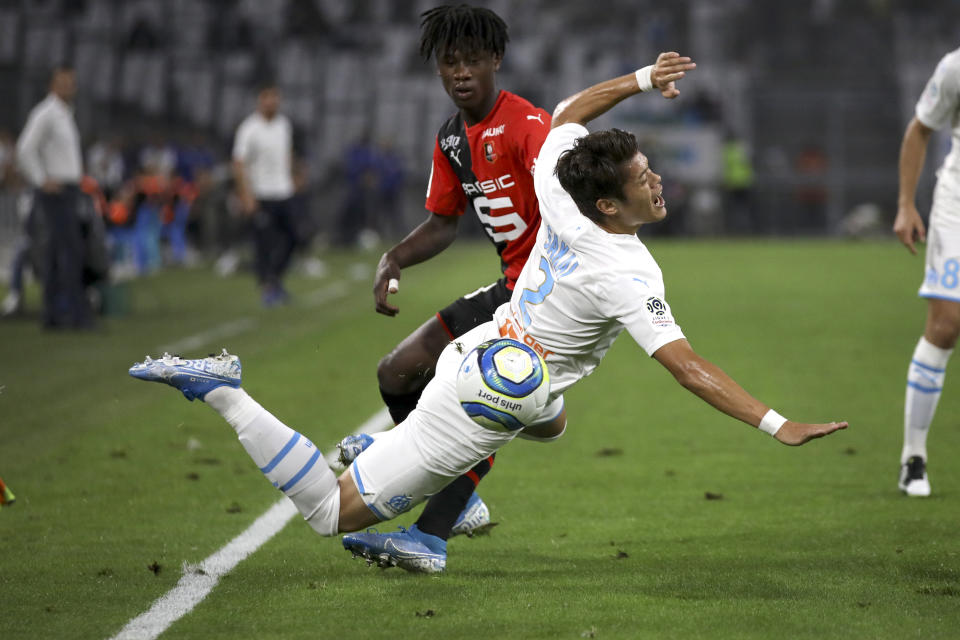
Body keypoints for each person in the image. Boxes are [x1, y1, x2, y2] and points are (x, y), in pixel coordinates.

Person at [129, 50, 847, 576]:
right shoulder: (627, 271)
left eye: (651, 171)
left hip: (508, 357)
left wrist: (637, 82)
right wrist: (778, 425)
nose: (657, 183)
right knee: (329, 513)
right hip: (483, 390)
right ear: (608, 205)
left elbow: (567, 114)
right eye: (642, 180)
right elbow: (687, 368)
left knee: (553, 419)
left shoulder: (562, 186)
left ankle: (401, 467)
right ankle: (224, 387)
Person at [349, 3, 554, 552]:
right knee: (396, 373)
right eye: (449, 62)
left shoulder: (527, 124)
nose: (460, 72)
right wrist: (393, 258)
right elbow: (444, 223)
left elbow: (564, 183)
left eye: (472, 61)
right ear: (438, 69)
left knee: (481, 405)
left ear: (496, 60)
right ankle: (456, 493)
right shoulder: (453, 140)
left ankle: (433, 529)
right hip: (509, 289)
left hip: (546, 296)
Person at [892, 46, 960, 497]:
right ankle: (913, 458)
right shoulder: (955, 67)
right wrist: (905, 205)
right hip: (957, 207)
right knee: (947, 323)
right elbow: (920, 130)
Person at [16, 65, 93, 329]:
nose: (68, 87)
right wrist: (41, 179)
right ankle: (74, 315)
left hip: (67, 190)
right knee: (69, 252)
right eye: (63, 83)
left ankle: (53, 315)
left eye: (71, 83)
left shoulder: (64, 115)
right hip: (56, 192)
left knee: (57, 253)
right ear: (52, 85)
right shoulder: (46, 113)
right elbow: (25, 149)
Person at [232, 81, 300, 307]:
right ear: (259, 100)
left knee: (295, 236)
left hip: (283, 191)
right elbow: (239, 164)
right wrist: (246, 196)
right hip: (261, 194)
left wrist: (292, 178)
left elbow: (287, 153)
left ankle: (274, 279)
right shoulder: (249, 128)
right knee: (264, 243)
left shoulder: (283, 125)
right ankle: (268, 288)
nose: (272, 101)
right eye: (267, 97)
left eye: (275, 97)